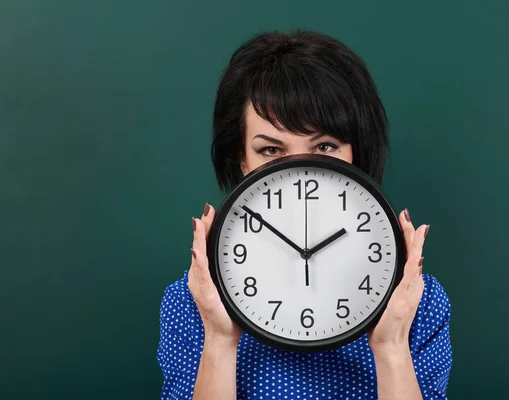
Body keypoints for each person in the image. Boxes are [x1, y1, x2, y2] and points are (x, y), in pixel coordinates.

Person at [157, 30, 452, 400]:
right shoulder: (190, 304)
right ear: (242, 159)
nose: (299, 173)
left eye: (325, 146)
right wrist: (219, 339)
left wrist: (391, 345)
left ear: (356, 153)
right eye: (271, 150)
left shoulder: (418, 304)